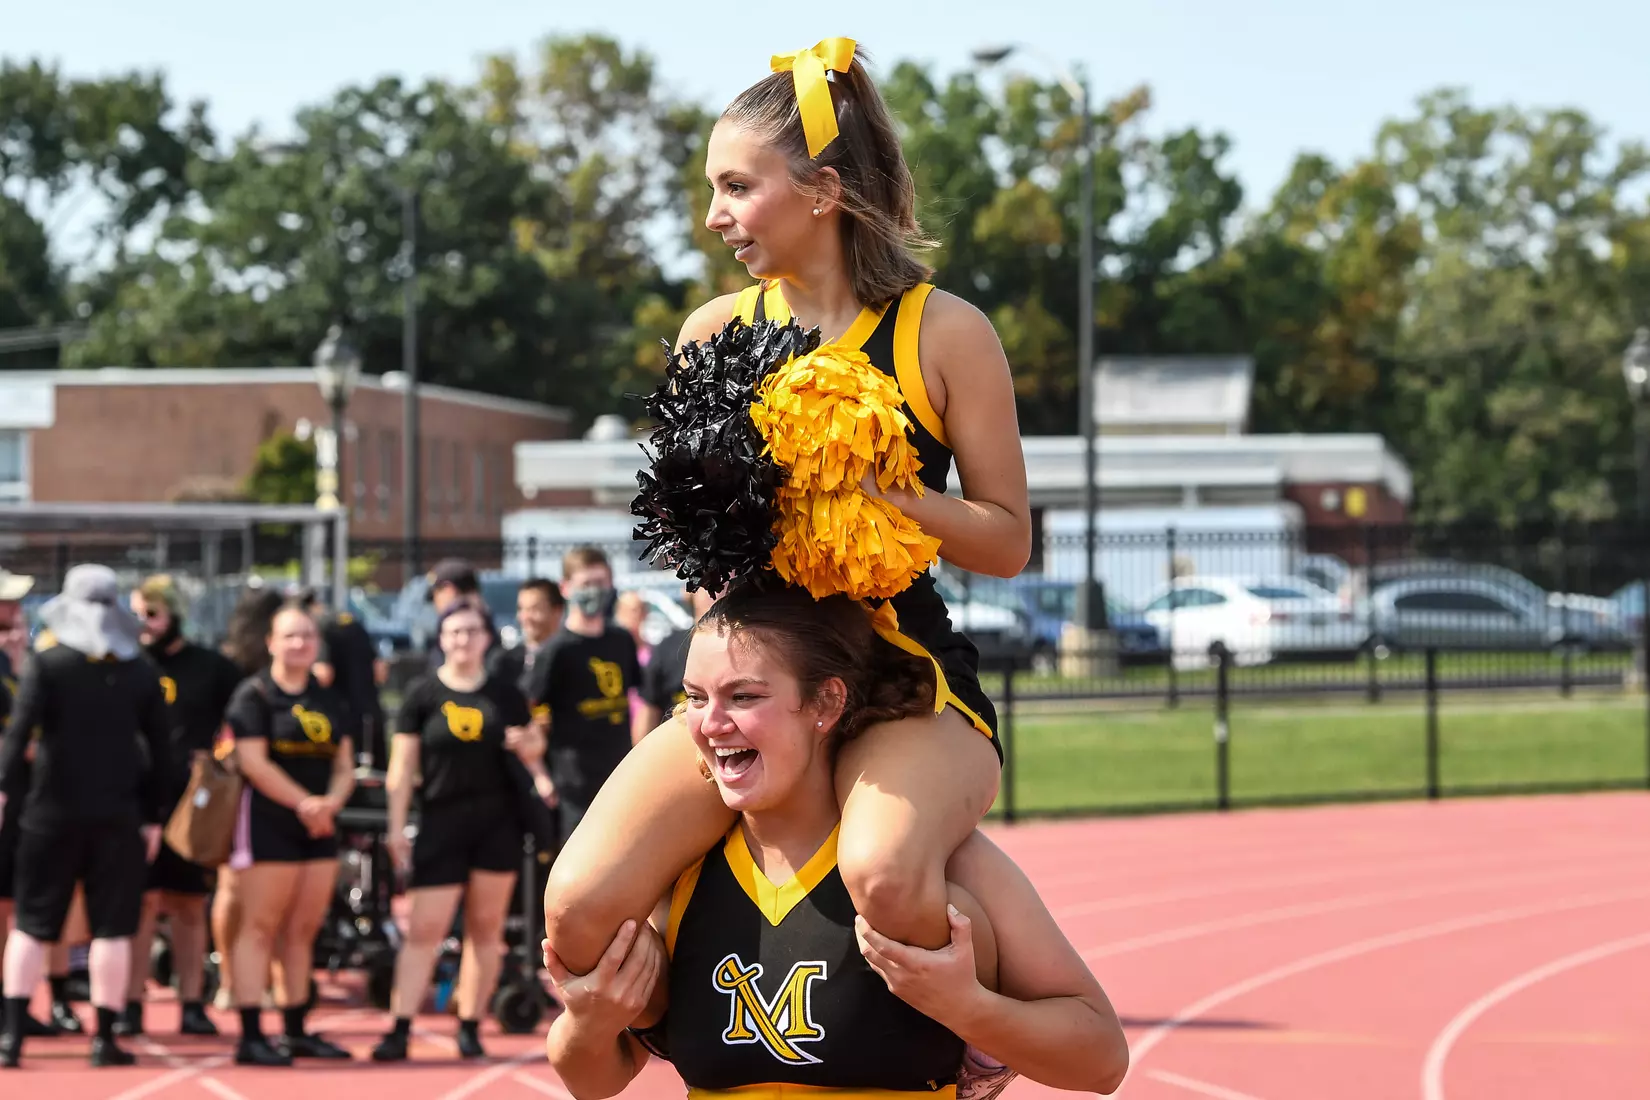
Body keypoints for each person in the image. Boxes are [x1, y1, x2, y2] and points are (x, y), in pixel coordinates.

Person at [544, 39, 1031, 978]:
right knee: (577, 905)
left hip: (899, 670)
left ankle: (982, 1016)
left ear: (821, 190)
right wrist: (727, 679)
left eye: (735, 186)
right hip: (753, 682)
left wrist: (887, 498)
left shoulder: (948, 331)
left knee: (883, 872)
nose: (714, 215)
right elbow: (691, 545)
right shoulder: (714, 332)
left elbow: (1008, 541)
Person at [543, 584, 1128, 1098]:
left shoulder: (940, 867)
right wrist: (588, 1023)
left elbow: (1103, 1061)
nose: (709, 724)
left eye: (744, 697)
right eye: (694, 698)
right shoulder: (680, 881)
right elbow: (592, 1082)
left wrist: (970, 1008)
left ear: (826, 702)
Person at [0, 565, 173, 1069]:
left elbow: (18, 738)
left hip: (49, 812)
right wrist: (154, 815)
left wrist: (5, 793)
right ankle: (105, 1038)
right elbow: (162, 752)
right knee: (111, 929)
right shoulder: (139, 670)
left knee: (32, 925)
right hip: (117, 813)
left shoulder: (48, 664)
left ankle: (11, 1037)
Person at [373, 598, 552, 1062]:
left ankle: (470, 1025)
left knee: (486, 929)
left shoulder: (505, 694)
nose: (463, 640)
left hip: (497, 823)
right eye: (454, 632)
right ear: (441, 638)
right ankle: (400, 1027)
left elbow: (533, 750)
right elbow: (401, 767)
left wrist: (528, 743)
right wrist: (396, 827)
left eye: (472, 631)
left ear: (486, 639)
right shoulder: (421, 695)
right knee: (424, 930)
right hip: (440, 820)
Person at [221, 599, 356, 1066]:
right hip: (268, 826)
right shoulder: (253, 696)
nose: (300, 643)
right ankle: (251, 1034)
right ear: (271, 642)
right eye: (291, 636)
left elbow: (344, 763)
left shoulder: (328, 698)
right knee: (259, 928)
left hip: (318, 828)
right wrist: (303, 803)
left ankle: (296, 1030)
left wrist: (331, 804)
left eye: (308, 636)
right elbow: (252, 762)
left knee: (302, 932)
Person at [121, 575, 245, 1038]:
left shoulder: (211, 667)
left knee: (191, 905)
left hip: (194, 803)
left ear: (174, 615)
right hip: (138, 799)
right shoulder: (129, 665)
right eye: (137, 615)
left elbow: (243, 718)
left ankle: (192, 1002)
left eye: (152, 615)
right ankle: (130, 1003)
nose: (144, 625)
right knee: (142, 904)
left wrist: (220, 758)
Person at [528, 548, 642, 838]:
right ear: (565, 588)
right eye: (585, 584)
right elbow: (523, 712)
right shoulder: (556, 651)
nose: (594, 591)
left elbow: (639, 701)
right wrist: (540, 773)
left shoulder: (622, 640)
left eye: (600, 582)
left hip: (621, 779)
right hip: (574, 788)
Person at [209, 584, 285, 1011]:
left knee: (240, 891)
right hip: (248, 785)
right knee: (245, 891)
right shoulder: (244, 675)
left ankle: (232, 979)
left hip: (248, 782)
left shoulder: (229, 661)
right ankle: (247, 979)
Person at [304, 590, 386, 770]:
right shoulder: (354, 623)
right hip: (371, 714)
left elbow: (324, 674)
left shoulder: (319, 627)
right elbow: (380, 671)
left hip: (338, 718)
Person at [632, 587, 717, 743]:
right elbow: (649, 709)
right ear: (690, 591)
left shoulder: (752, 645)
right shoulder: (668, 648)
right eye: (712, 584)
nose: (719, 591)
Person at [489, 578, 566, 702]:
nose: (526, 617)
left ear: (557, 611)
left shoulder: (574, 657)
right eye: (521, 609)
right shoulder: (504, 661)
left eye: (534, 609)